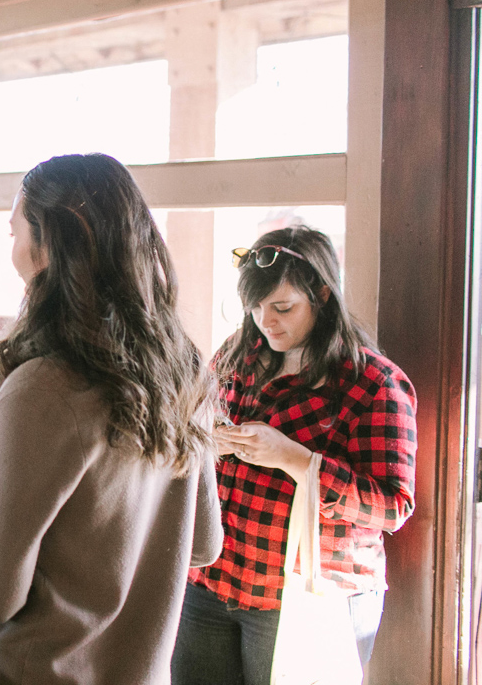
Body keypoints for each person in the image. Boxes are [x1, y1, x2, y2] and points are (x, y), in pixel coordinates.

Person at [0, 153, 223, 685]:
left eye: (15, 232)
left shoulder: (43, 388)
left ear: (49, 242)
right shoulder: (183, 370)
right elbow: (203, 544)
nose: (11, 251)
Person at [171, 225, 418, 685]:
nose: (268, 321)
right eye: (256, 308)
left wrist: (297, 460)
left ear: (322, 295)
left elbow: (393, 505)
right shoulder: (238, 353)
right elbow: (194, 419)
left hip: (305, 591)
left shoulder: (373, 383)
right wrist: (208, 436)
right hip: (213, 577)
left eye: (283, 307)